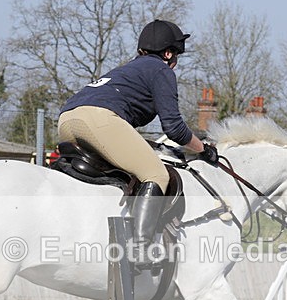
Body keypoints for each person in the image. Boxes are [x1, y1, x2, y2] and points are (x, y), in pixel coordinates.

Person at [57, 19, 216, 268]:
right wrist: (203, 149)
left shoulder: (128, 69)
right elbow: (174, 127)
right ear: (167, 53)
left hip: (67, 119)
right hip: (99, 120)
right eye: (176, 56)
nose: (175, 62)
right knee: (156, 174)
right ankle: (140, 249)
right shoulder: (161, 70)